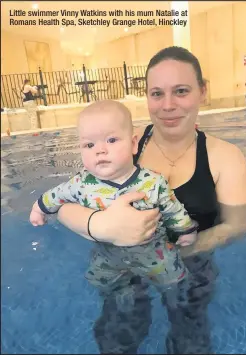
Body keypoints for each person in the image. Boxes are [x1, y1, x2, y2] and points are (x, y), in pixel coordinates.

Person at [55, 47, 246, 354]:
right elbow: (65, 203)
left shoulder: (225, 157)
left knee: (190, 338)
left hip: (192, 263)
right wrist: (99, 225)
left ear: (203, 91)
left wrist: (174, 253)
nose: (168, 105)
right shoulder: (121, 146)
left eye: (181, 91)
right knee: (116, 337)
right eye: (157, 93)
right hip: (123, 265)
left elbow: (239, 224)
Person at [30, 100, 199, 293]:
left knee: (174, 281)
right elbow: (56, 195)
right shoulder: (81, 184)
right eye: (89, 144)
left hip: (154, 252)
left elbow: (172, 208)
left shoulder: (153, 182)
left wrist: (185, 230)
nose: (100, 150)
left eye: (111, 140)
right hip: (107, 254)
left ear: (134, 144)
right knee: (99, 281)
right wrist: (38, 208)